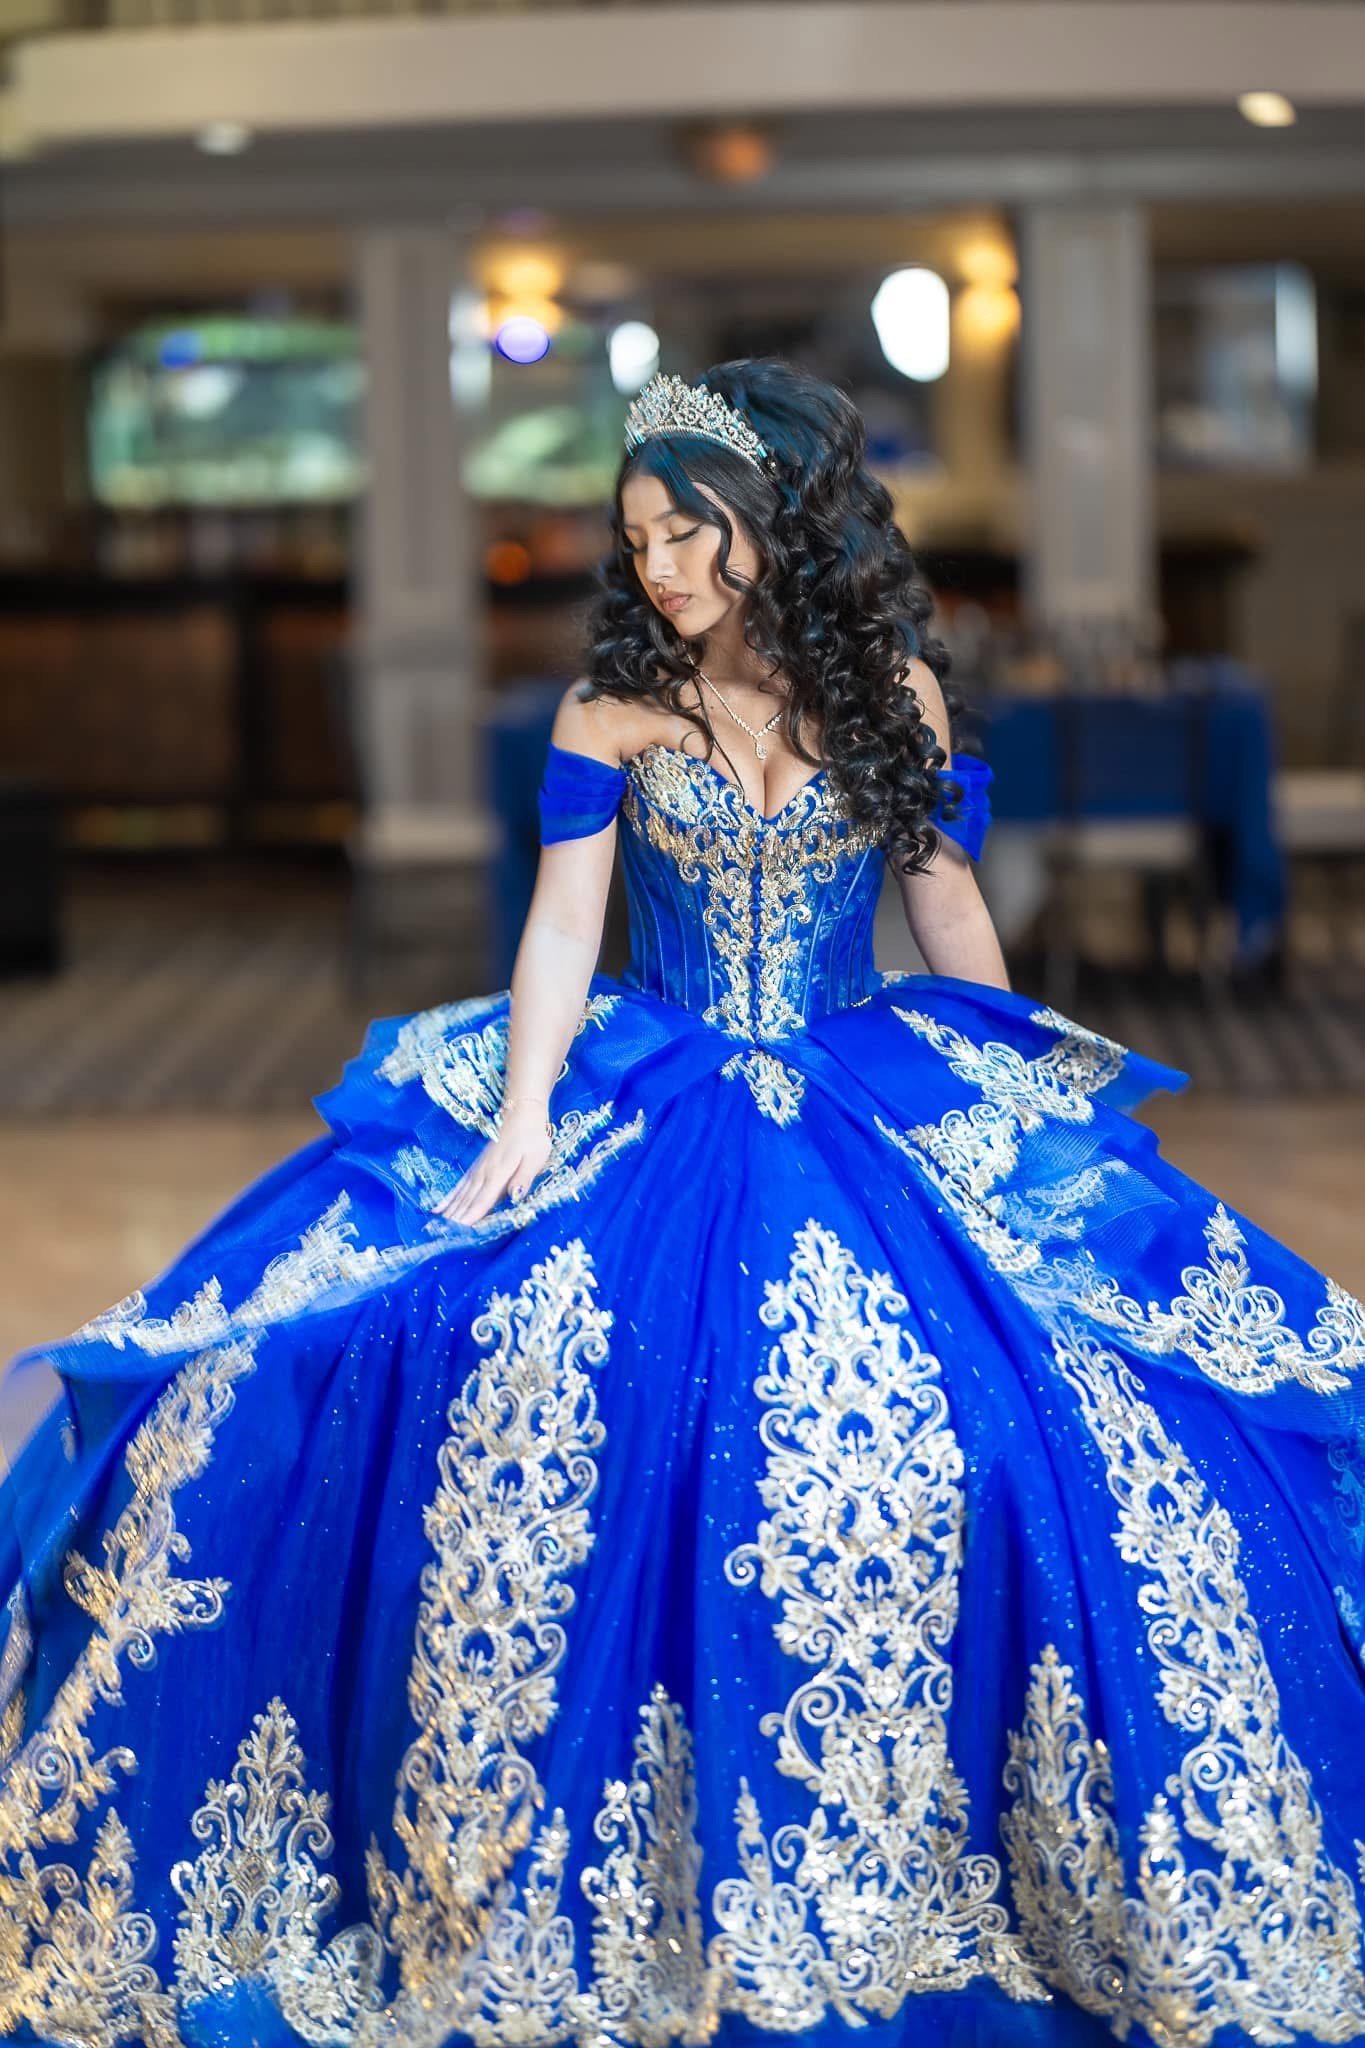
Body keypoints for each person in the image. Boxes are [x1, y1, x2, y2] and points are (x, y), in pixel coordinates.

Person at [1, 357, 1363, 2048]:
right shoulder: (608, 716)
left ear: (773, 528)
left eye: (689, 533)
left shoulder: (898, 703)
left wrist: (1019, 1097)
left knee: (1047, 1414)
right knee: (461, 1373)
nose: (657, 567)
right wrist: (513, 1118)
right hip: (652, 1074)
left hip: (858, 1070)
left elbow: (945, 928)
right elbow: (564, 930)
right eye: (638, 535)